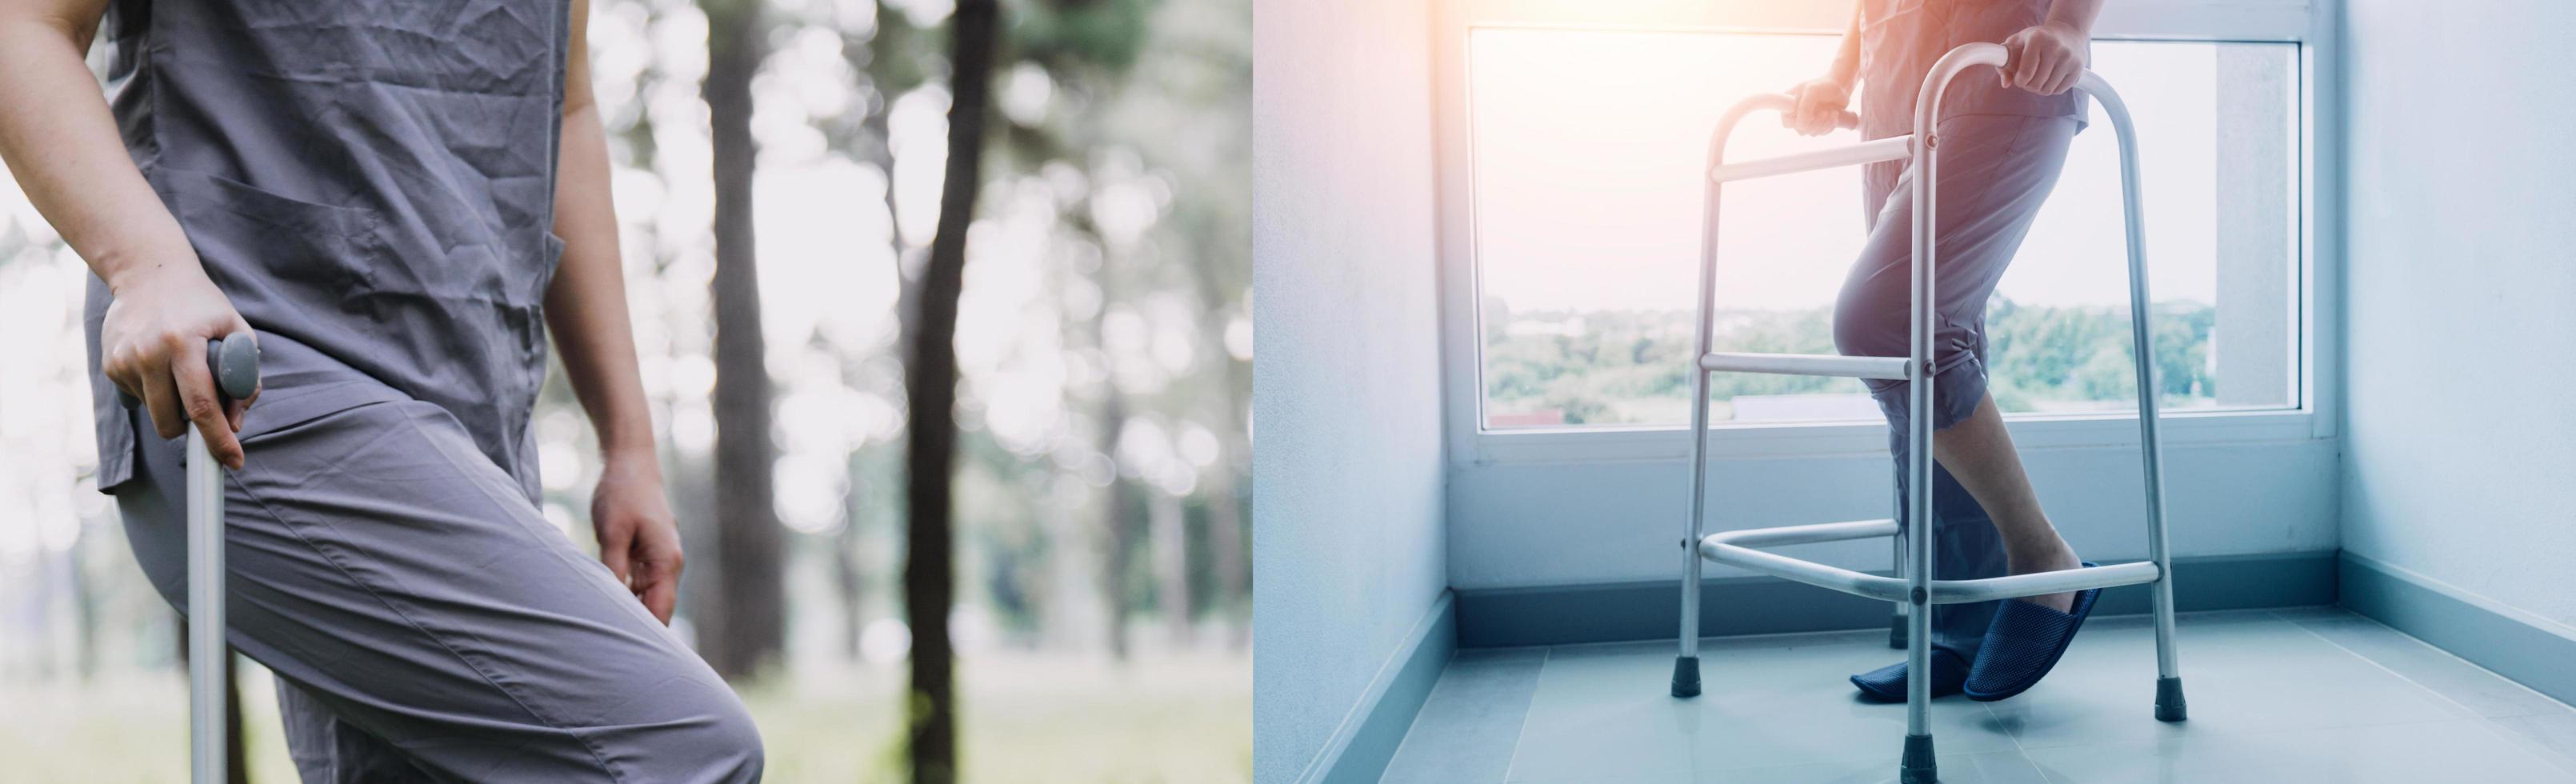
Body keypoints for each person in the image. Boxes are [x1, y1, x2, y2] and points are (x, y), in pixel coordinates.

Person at [0, 0, 765, 779]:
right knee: (684, 750)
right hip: (241, 364)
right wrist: (142, 265)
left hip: (471, 382)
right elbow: (24, 25)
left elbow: (564, 109)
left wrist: (628, 441)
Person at [1783, 0, 2106, 702]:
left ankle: (2041, 557)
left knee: (1887, 322)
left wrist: (2071, 27)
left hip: (2006, 75)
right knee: (1916, 360)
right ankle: (1960, 633)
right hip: (1898, 105)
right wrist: (1840, 75)